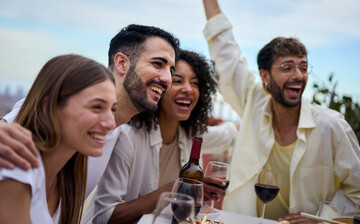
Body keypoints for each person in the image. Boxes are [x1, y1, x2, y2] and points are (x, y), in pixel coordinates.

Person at [200, 0, 360, 223]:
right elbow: (225, 51)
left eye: (303, 67)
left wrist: (321, 219)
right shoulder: (254, 103)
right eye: (287, 67)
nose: (298, 75)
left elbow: (356, 189)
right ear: (265, 76)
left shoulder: (331, 126)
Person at [0, 24, 180, 199]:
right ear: (122, 63)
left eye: (171, 70)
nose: (167, 79)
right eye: (158, 64)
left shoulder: (115, 133)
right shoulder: (57, 112)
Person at [82, 49, 238, 224]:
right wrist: (172, 190)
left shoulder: (191, 136)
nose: (188, 89)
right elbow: (102, 217)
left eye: (195, 83)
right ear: (159, 87)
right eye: (178, 81)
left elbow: (229, 134)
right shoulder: (128, 138)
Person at [0, 54, 117, 223]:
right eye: (97, 107)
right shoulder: (18, 170)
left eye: (112, 109)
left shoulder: (65, 179)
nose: (111, 123)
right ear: (48, 107)